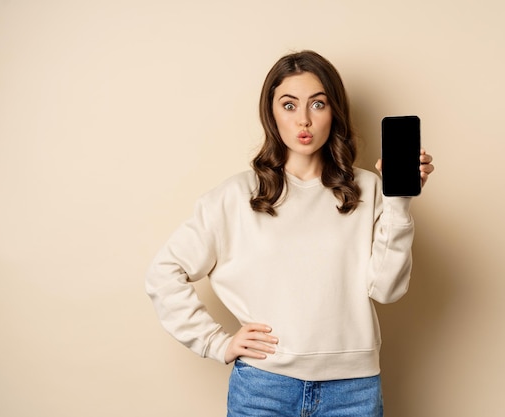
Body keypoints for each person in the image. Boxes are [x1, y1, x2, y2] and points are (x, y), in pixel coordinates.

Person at [146, 50, 435, 416]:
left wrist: (400, 202)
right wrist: (216, 343)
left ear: (334, 112)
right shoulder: (236, 196)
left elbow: (387, 290)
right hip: (264, 389)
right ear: (271, 114)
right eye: (289, 105)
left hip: (354, 391)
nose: (304, 120)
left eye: (317, 104)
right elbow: (163, 273)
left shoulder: (369, 188)